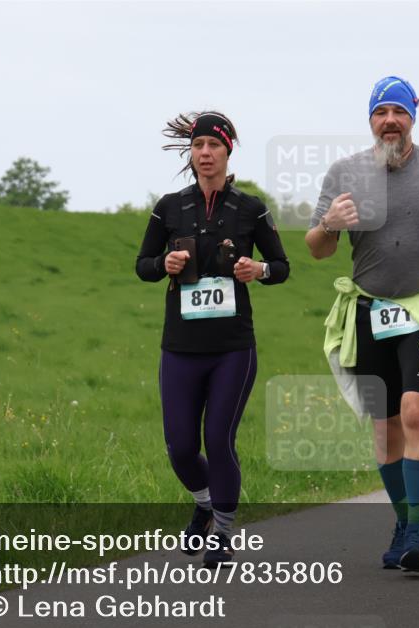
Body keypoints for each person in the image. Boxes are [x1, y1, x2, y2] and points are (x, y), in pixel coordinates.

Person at [306, 76, 419, 572]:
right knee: (385, 430)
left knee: (414, 415)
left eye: (398, 112)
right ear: (370, 120)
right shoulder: (345, 172)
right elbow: (317, 250)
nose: (390, 121)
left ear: (412, 118)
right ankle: (403, 523)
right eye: (381, 112)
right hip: (369, 310)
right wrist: (330, 226)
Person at [136, 111, 290, 566]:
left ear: (228, 152)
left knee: (218, 437)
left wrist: (258, 270)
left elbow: (282, 267)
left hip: (232, 349)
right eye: (199, 145)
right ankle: (204, 503)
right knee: (181, 447)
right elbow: (142, 265)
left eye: (214, 146)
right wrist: (163, 263)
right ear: (191, 151)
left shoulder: (250, 208)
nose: (205, 153)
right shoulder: (169, 207)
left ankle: (222, 530)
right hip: (180, 348)